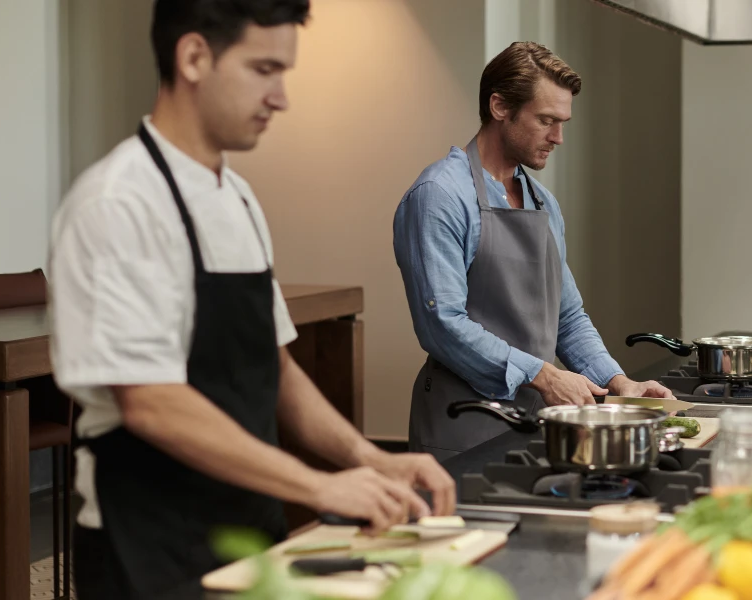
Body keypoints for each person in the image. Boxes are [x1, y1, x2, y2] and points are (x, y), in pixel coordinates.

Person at [48, 2, 452, 597]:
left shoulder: (236, 197)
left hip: (249, 527)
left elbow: (276, 367)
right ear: (193, 57)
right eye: (264, 69)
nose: (281, 97)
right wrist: (317, 487)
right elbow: (151, 403)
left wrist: (370, 458)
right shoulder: (117, 204)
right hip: (149, 544)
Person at [393, 42, 674, 461]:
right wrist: (542, 373)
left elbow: (567, 317)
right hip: (465, 422)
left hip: (537, 422)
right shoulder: (440, 196)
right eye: (546, 120)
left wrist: (618, 382)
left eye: (563, 122)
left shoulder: (542, 202)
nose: (558, 137)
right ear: (500, 106)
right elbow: (442, 323)